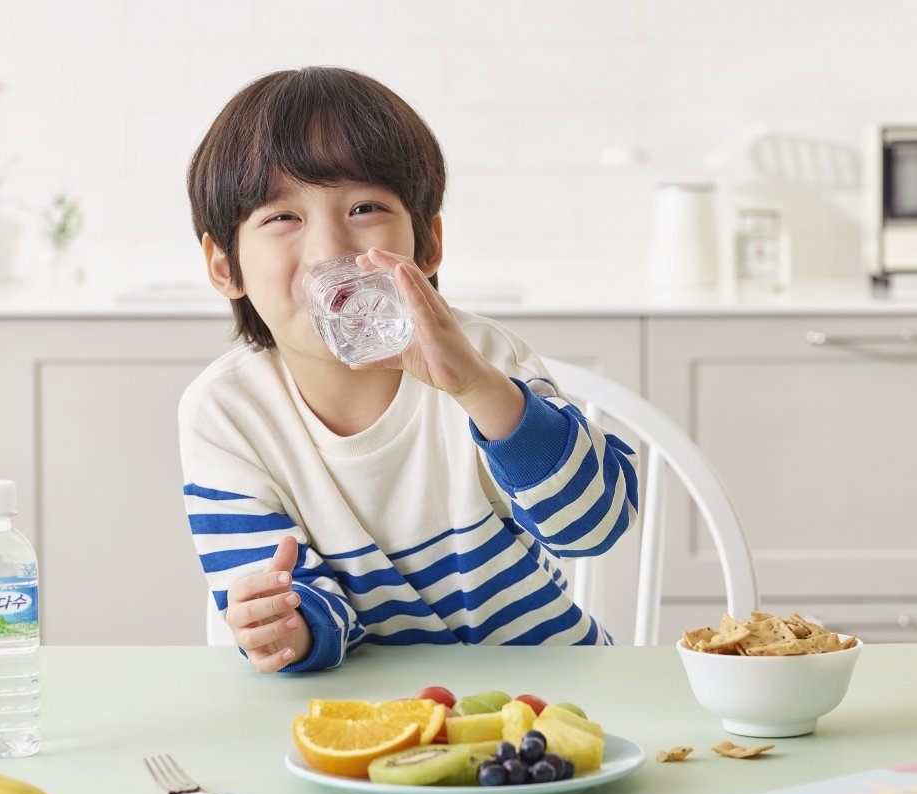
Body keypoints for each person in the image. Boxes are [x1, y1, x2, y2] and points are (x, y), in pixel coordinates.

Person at [180, 66, 638, 673]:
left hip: (543, 689)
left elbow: (594, 527)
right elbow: (300, 603)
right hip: (366, 713)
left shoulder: (483, 359)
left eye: (365, 207)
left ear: (427, 245)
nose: (330, 251)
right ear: (224, 266)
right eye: (282, 217)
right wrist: (287, 629)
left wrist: (478, 389)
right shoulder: (227, 413)